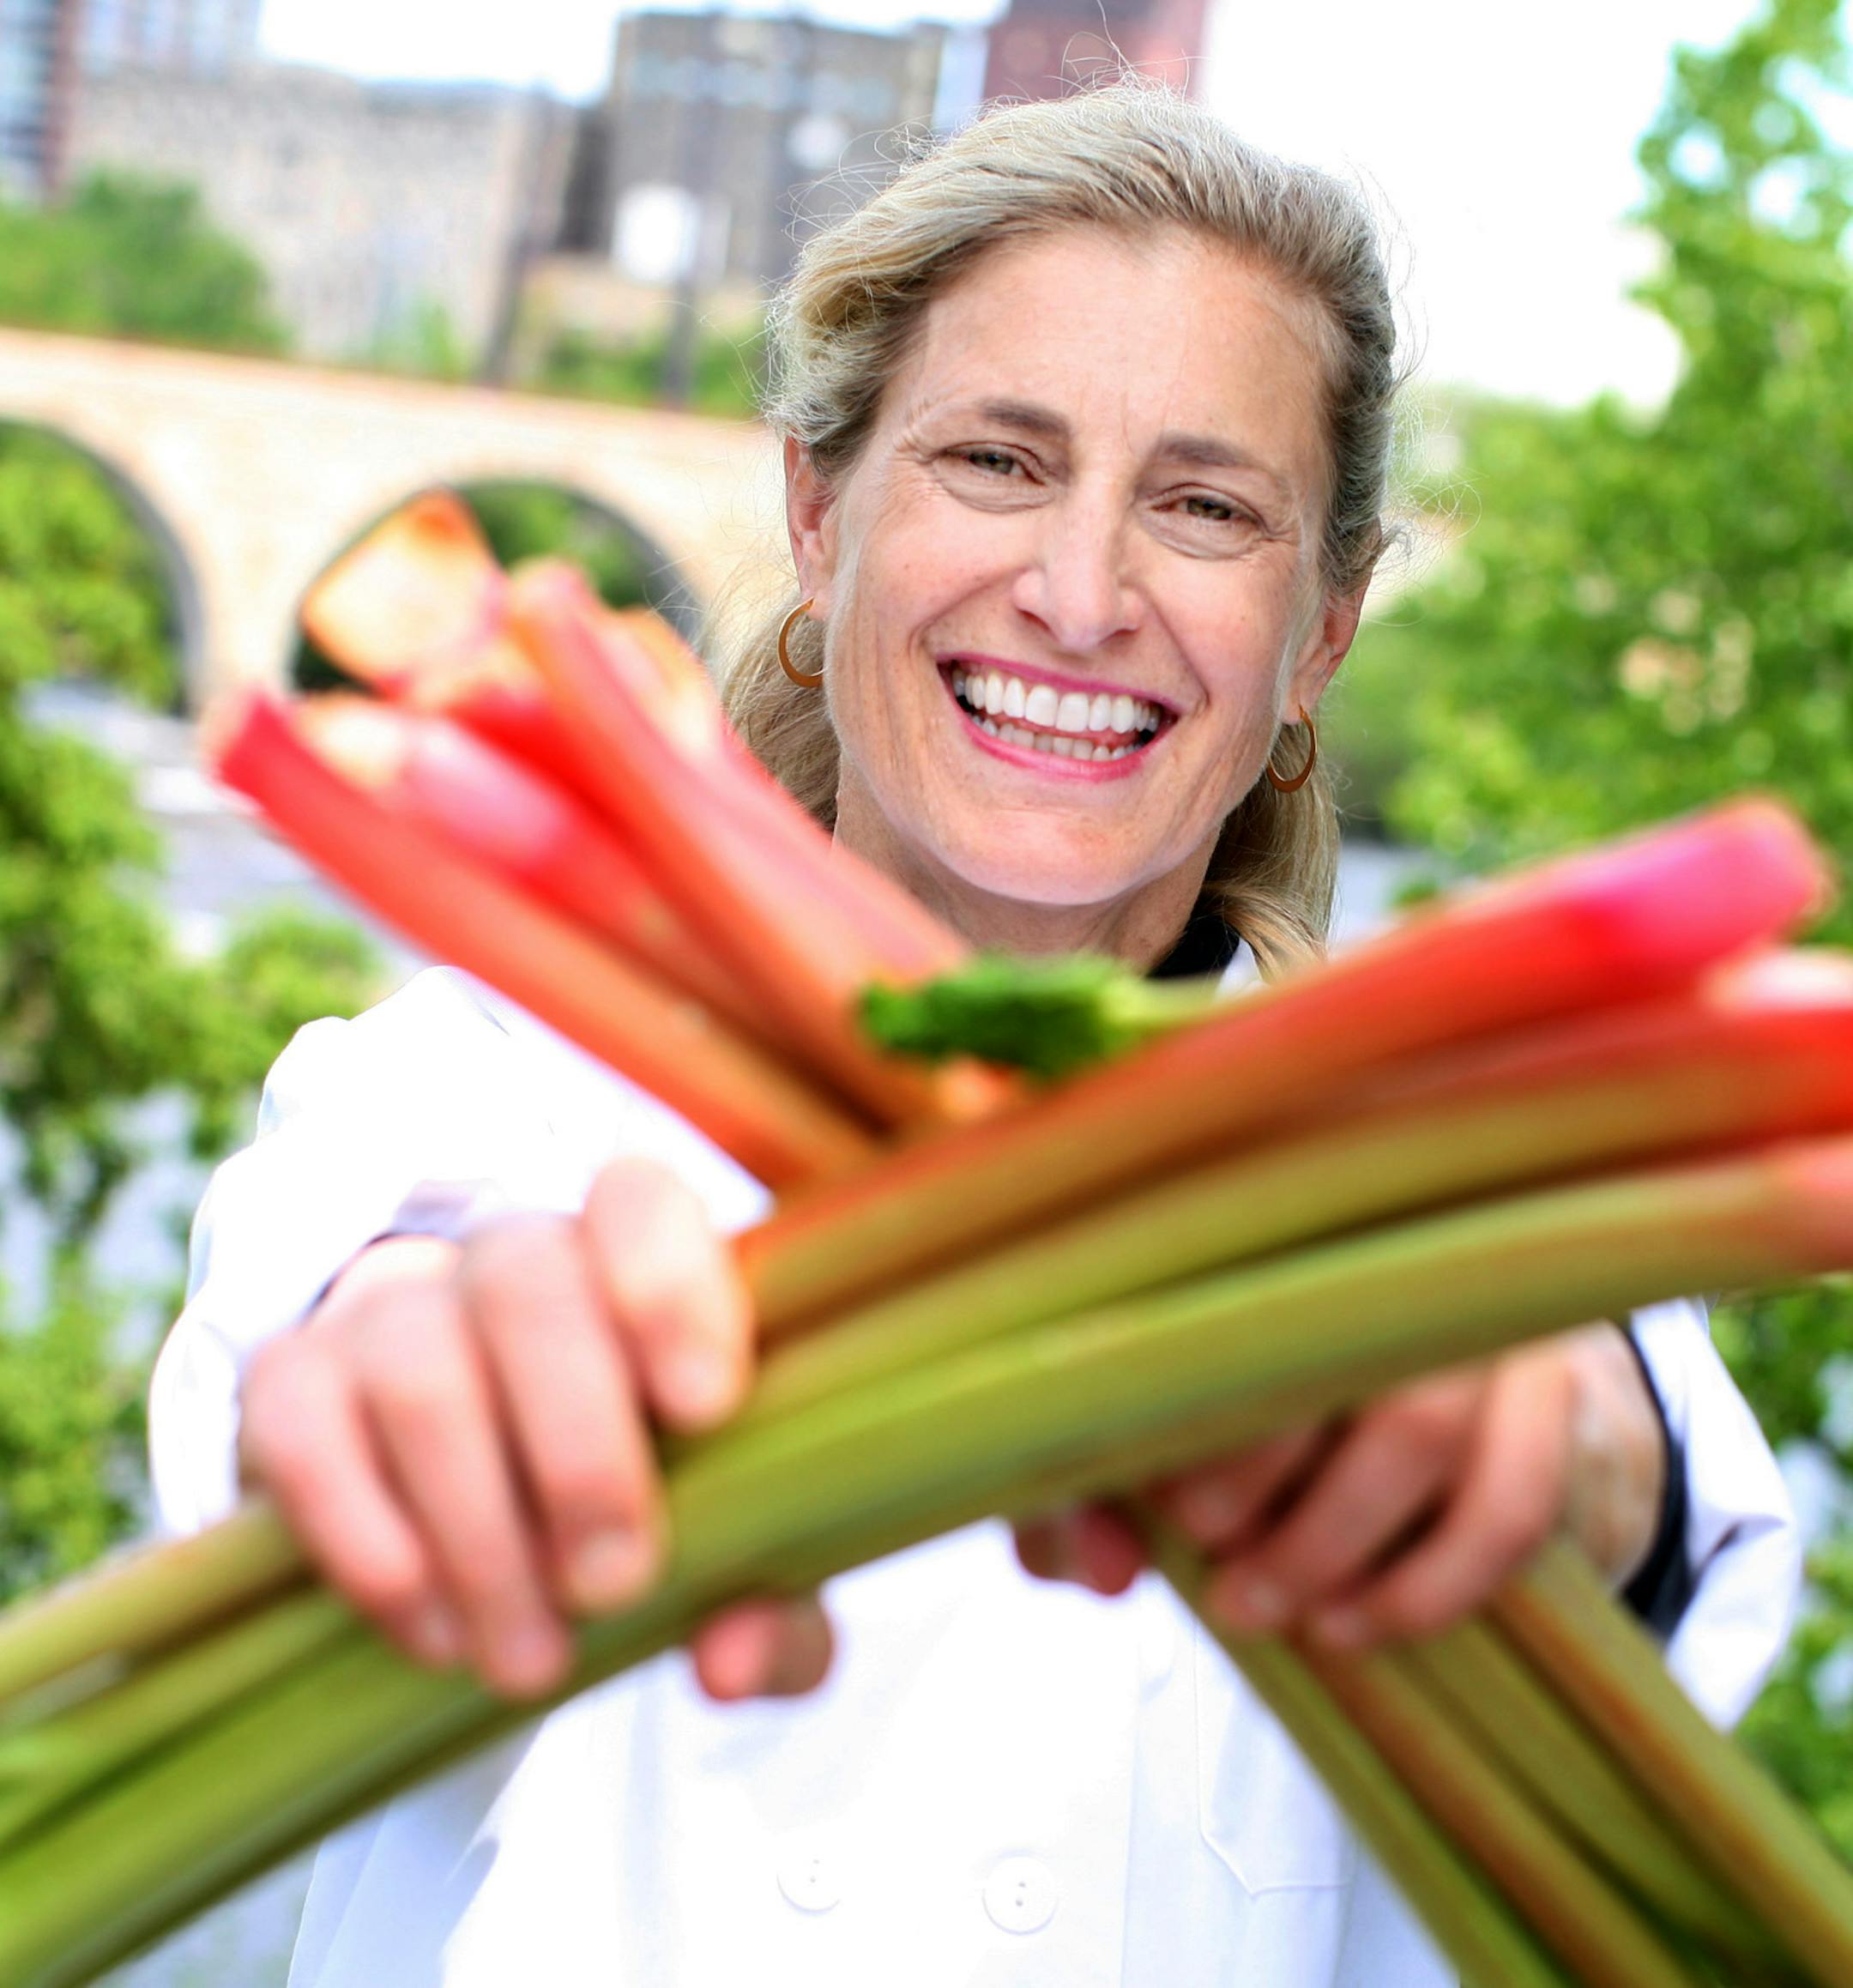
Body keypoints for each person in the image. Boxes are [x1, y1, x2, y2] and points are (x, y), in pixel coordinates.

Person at [153, 84, 1798, 1988]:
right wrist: (412, 1393)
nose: (1084, 595)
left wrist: (1564, 1444)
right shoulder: (467, 1088)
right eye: (999, 463)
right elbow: (344, 1327)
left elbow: (1630, 1471)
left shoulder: (1459, 1190)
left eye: (1203, 507)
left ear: (1320, 633)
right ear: (820, 512)